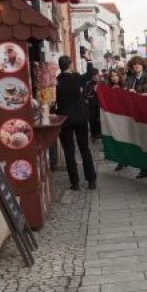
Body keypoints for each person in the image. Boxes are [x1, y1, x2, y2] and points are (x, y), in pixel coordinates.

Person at [53, 53, 97, 190]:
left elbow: (52, 102)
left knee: (69, 152)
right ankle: (91, 180)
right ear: (70, 65)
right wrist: (89, 60)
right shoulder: (76, 78)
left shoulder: (56, 81)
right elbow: (90, 74)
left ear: (60, 67)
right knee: (84, 149)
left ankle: (75, 183)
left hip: (65, 120)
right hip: (80, 118)